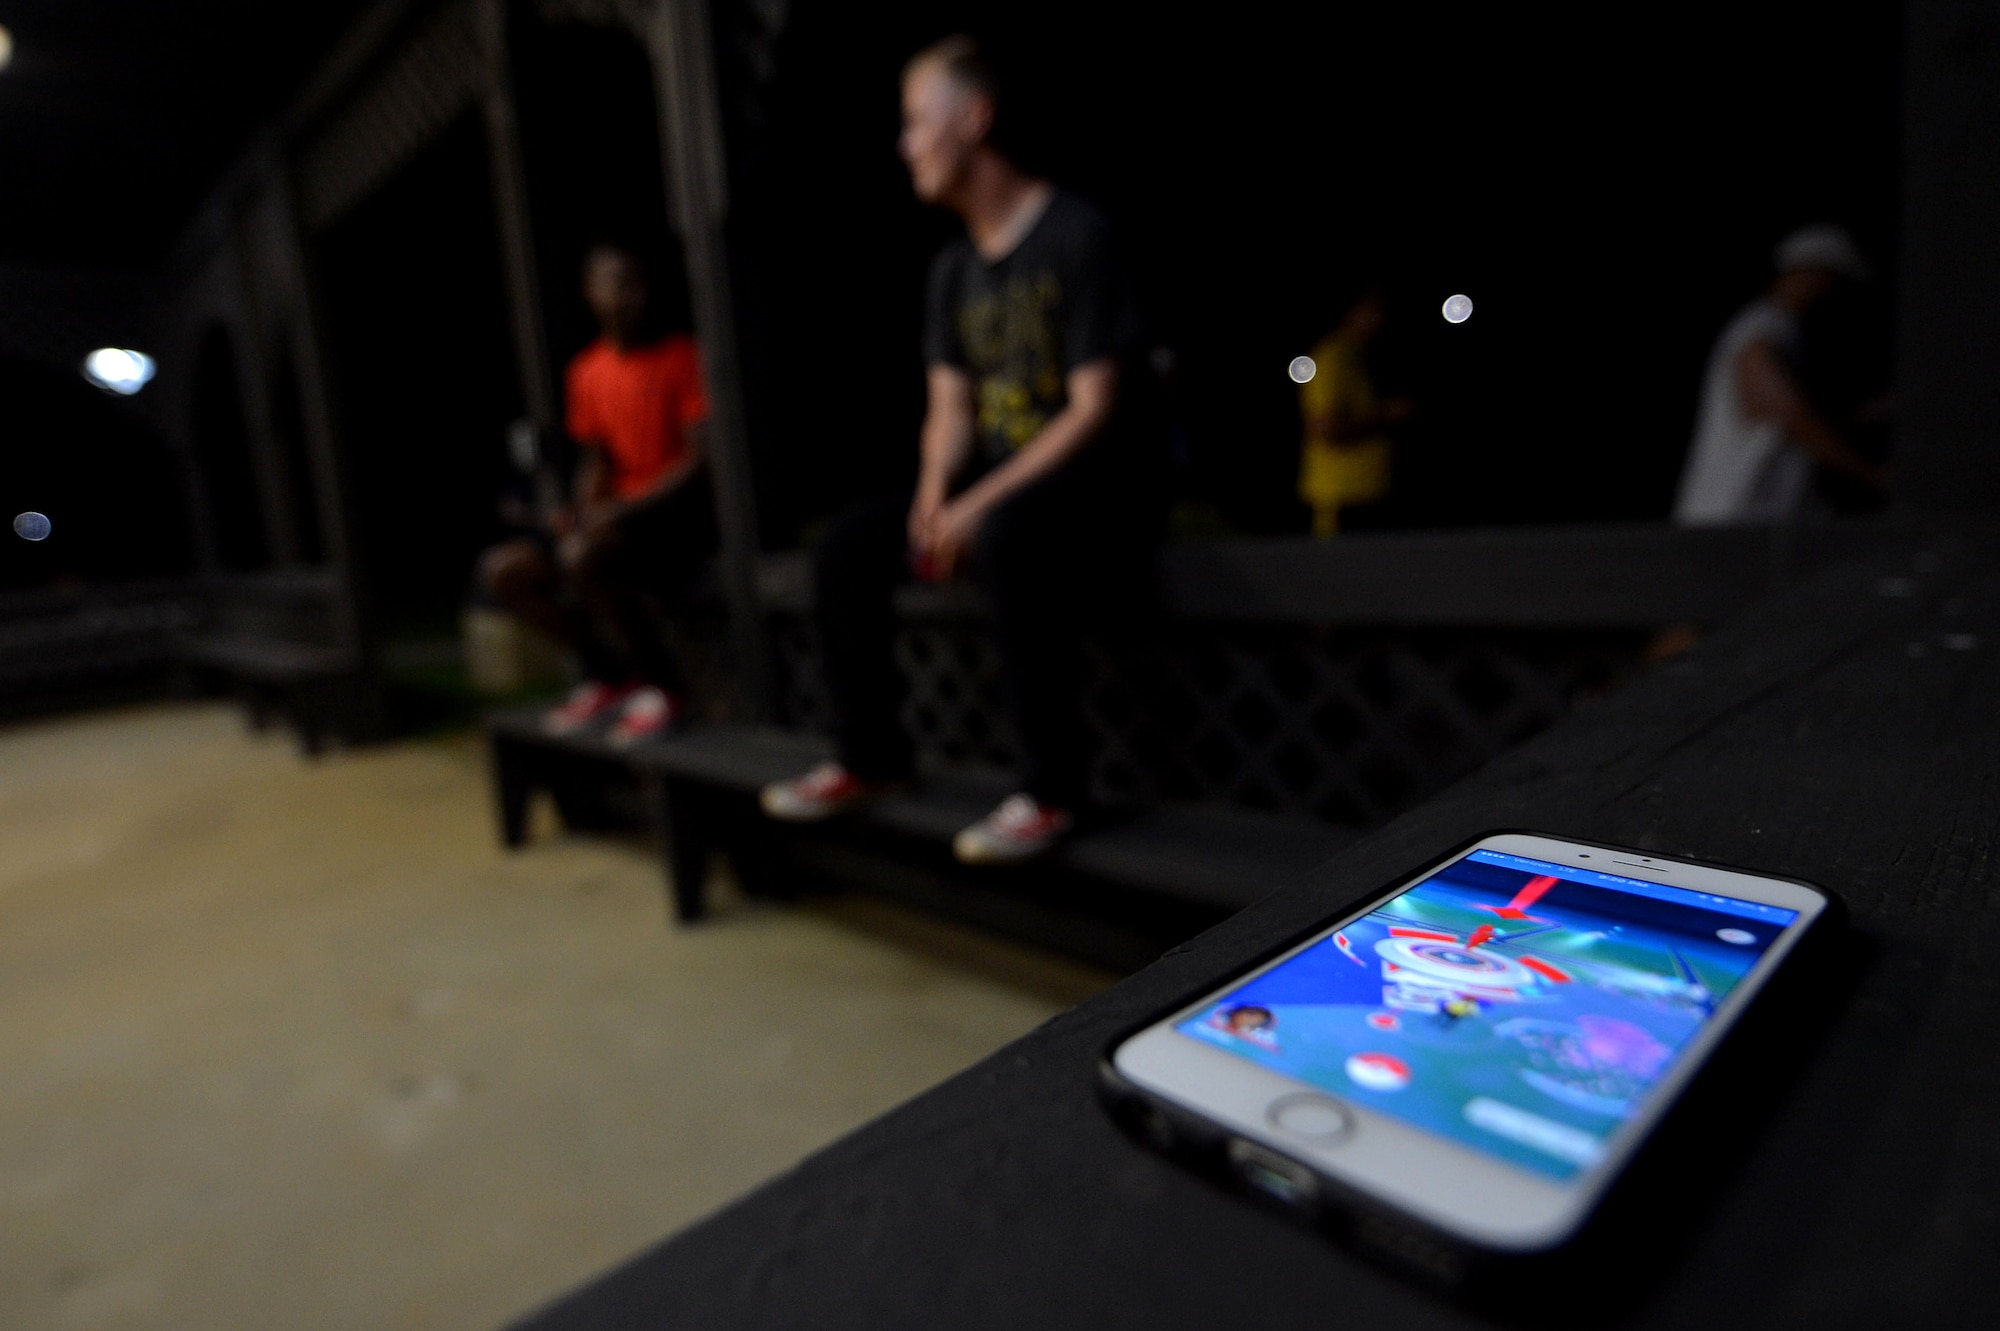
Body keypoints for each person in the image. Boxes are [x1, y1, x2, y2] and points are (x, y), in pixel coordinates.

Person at [758, 34, 1147, 864]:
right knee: (848, 547)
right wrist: (935, 495)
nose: (903, 145)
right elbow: (949, 408)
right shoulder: (952, 270)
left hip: (1086, 492)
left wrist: (976, 506)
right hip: (995, 491)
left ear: (973, 119)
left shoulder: (1076, 231)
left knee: (1009, 535)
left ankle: (1052, 792)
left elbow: (1093, 407)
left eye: (914, 121)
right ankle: (871, 758)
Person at [477, 243, 715, 745]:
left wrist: (623, 510)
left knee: (583, 554)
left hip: (665, 516)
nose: (632, 296)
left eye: (638, 282)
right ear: (592, 294)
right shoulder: (586, 371)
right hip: (614, 514)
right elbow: (596, 459)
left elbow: (700, 460)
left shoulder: (682, 356)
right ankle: (608, 675)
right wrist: (580, 506)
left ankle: (666, 686)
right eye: (618, 283)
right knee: (505, 570)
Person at [1674, 226, 1888, 525]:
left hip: (1764, 524)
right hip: (1734, 521)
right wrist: (1872, 474)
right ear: (1811, 272)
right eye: (1833, 279)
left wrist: (1856, 419)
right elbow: (1785, 413)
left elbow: (1777, 426)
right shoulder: (1762, 328)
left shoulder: (1783, 331)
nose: (1833, 292)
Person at [1297, 289, 1411, 537]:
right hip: (1342, 497)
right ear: (1350, 313)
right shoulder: (1333, 358)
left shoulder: (1358, 357)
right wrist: (1385, 415)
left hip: (1368, 494)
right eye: (1372, 311)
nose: (1380, 319)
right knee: (1343, 572)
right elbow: (1323, 427)